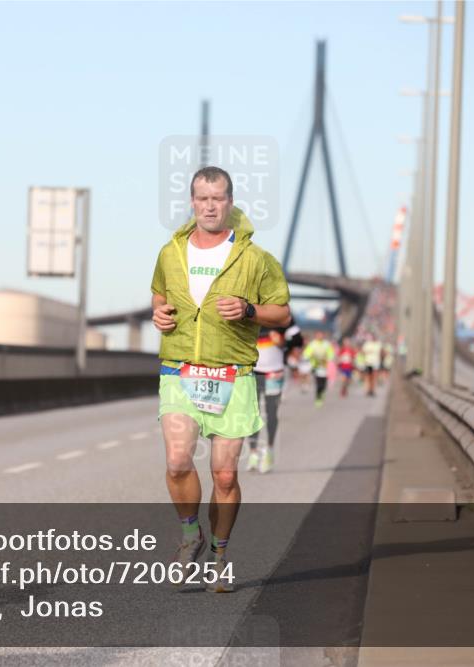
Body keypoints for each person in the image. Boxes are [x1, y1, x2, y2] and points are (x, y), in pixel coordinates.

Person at [151, 166, 291, 592]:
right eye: (202, 198)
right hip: (180, 370)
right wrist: (158, 314)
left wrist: (249, 309)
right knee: (178, 461)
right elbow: (159, 296)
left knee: (225, 475)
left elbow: (283, 314)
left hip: (233, 374)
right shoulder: (170, 253)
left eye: (217, 198)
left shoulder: (256, 259)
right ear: (192, 202)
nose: (210, 206)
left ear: (230, 202)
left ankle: (219, 554)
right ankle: (190, 535)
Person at [245, 322, 301, 474]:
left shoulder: (281, 317)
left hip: (274, 372)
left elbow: (298, 340)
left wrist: (283, 342)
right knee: (252, 413)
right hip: (253, 370)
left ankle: (269, 450)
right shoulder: (251, 313)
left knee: (271, 413)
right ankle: (253, 452)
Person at [303, 330, 334, 407]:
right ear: (316, 336)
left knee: (324, 384)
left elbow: (331, 354)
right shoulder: (312, 344)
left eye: (321, 335)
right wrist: (309, 356)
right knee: (318, 383)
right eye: (318, 335)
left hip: (324, 366)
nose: (320, 336)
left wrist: (328, 359)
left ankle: (322, 392)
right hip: (316, 366)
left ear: (323, 336)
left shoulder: (326, 344)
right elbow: (306, 353)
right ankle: (318, 398)